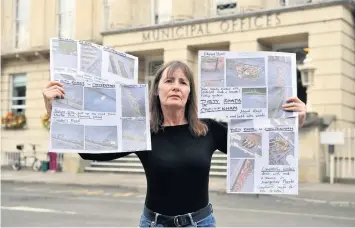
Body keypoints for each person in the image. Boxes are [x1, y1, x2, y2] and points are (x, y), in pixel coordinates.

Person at [43, 60, 307, 227]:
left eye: (183, 82)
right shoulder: (142, 131)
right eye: (169, 81)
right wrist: (57, 111)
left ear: (190, 92)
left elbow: (263, 147)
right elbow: (91, 153)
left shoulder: (209, 129)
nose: (176, 86)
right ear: (157, 89)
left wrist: (294, 122)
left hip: (200, 224)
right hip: (154, 224)